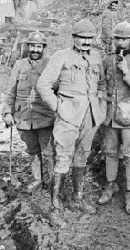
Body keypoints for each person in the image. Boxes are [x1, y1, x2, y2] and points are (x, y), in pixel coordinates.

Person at [36, 19, 107, 214]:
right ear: (73, 38)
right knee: (63, 156)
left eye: (89, 38)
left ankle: (77, 198)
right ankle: (55, 200)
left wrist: (101, 106)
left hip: (90, 116)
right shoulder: (61, 56)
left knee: (82, 156)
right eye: (82, 38)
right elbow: (43, 84)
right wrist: (58, 107)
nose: (86, 42)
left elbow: (101, 84)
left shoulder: (97, 57)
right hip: (68, 115)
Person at [98, 22, 130, 214]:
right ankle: (110, 185)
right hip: (109, 115)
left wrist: (127, 72)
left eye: (124, 39)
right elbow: (101, 84)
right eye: (117, 39)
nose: (120, 42)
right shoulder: (107, 59)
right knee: (110, 152)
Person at [3, 31, 55, 193]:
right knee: (32, 151)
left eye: (39, 46)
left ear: (43, 48)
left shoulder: (50, 64)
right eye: (33, 46)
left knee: (48, 152)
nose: (35, 50)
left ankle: (52, 183)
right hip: (23, 117)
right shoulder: (19, 65)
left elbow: (58, 90)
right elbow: (11, 90)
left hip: (45, 117)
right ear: (28, 46)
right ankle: (37, 180)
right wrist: (7, 112)